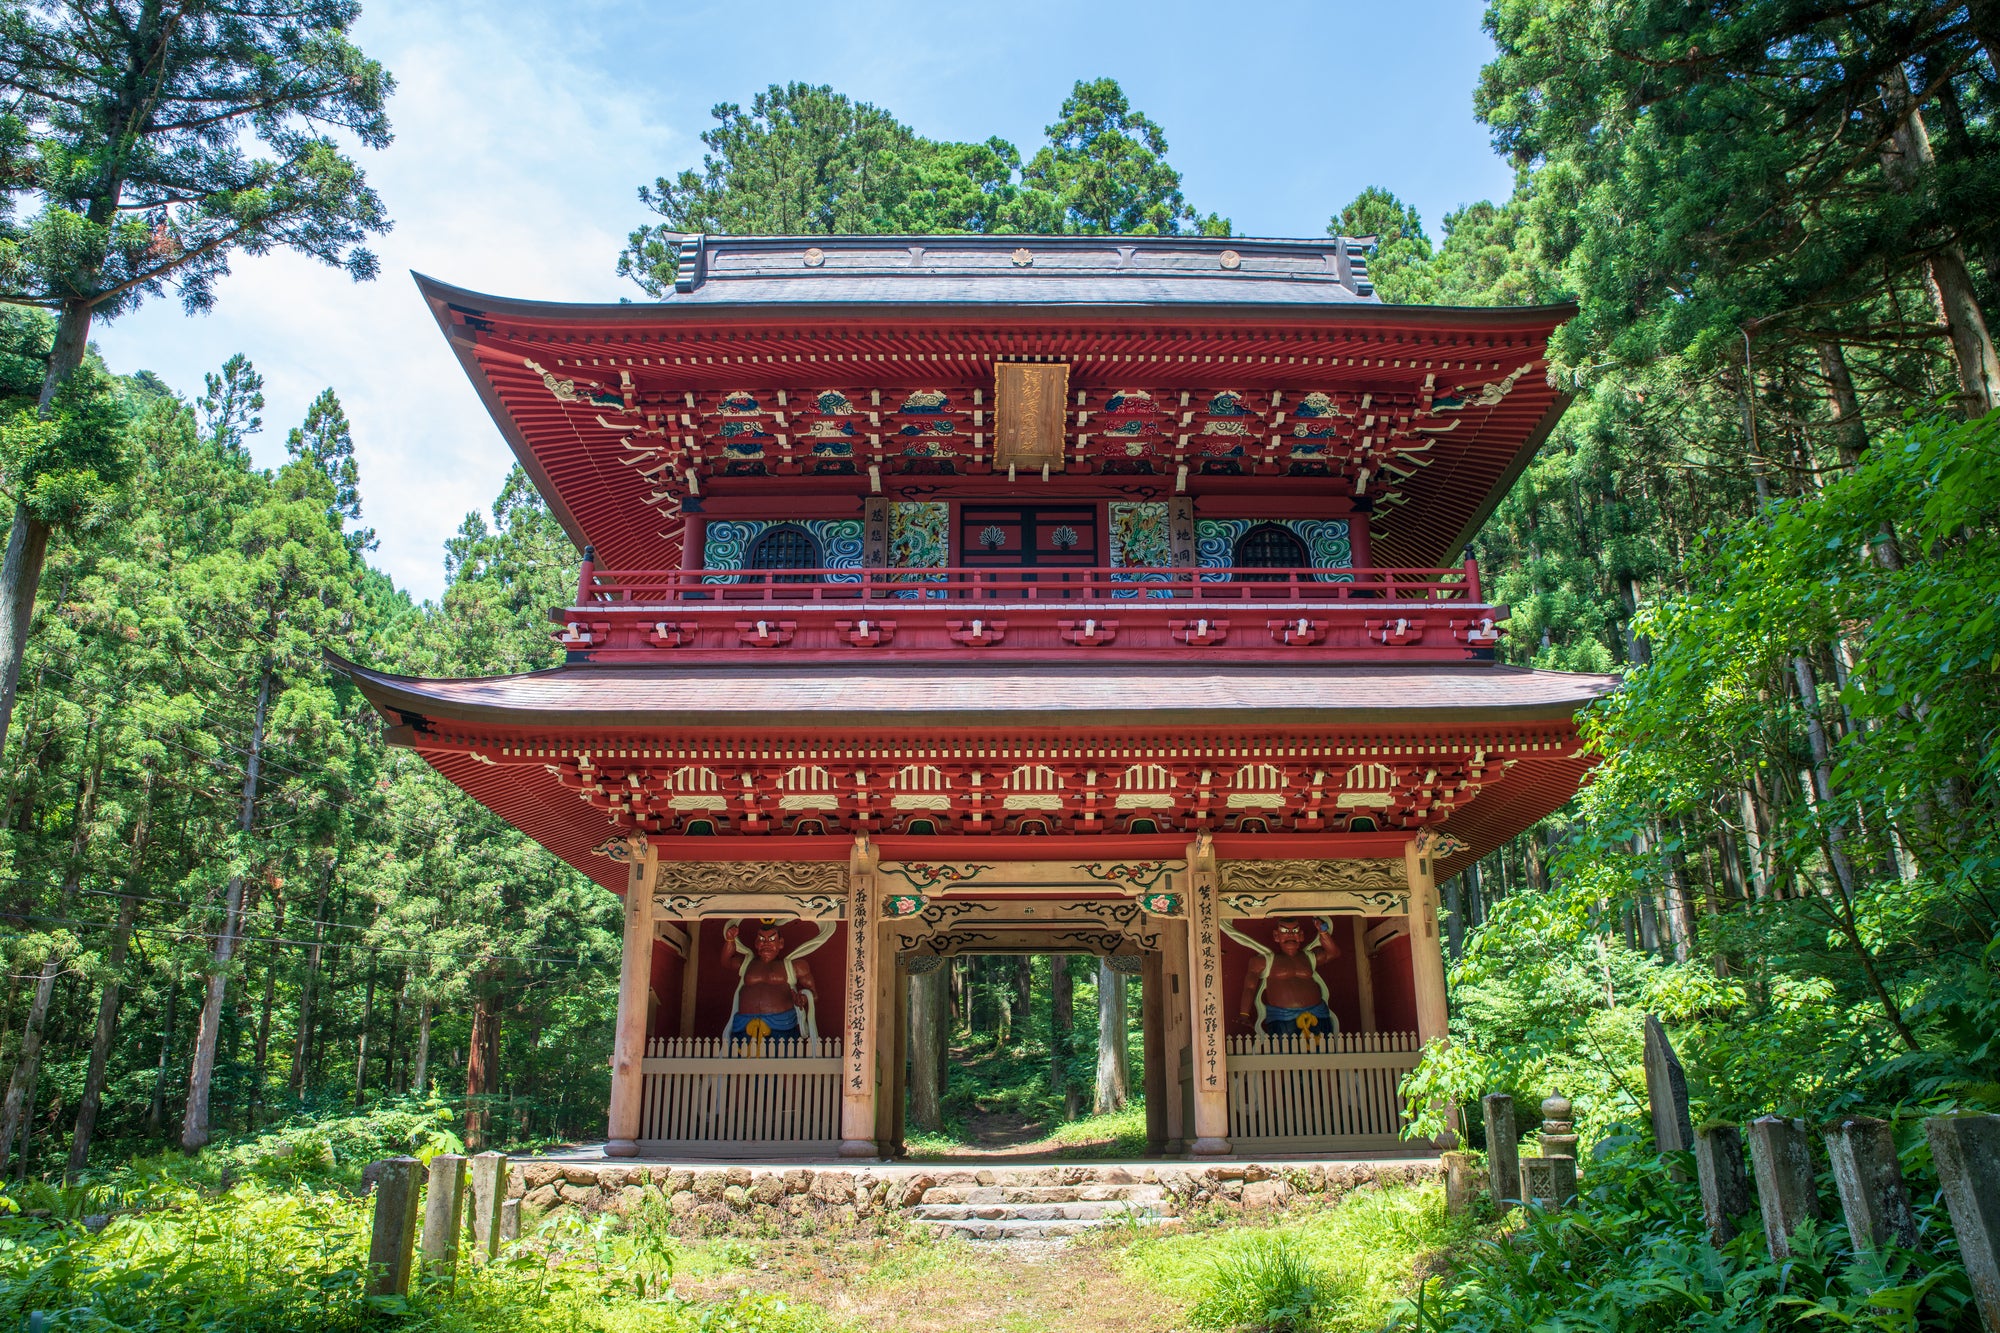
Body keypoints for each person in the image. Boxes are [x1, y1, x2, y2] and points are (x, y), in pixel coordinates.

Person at [1237, 918, 1341, 1036]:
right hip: (1282, 1017)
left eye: (1295, 930)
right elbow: (1249, 987)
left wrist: (1323, 932)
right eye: (1284, 931)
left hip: (1317, 1013)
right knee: (1284, 1050)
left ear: (1301, 935)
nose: (1291, 934)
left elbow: (1333, 953)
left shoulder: (1309, 957)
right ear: (1276, 935)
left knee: (1323, 1049)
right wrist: (1244, 1014)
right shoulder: (1263, 961)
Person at [722, 919, 815, 1043]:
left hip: (782, 1025)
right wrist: (730, 940)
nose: (766, 943)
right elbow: (726, 962)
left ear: (780, 943)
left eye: (771, 939)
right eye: (761, 939)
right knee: (742, 1058)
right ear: (756, 943)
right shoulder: (747, 963)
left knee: (781, 1057)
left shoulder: (795, 967)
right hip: (744, 1024)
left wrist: (803, 998)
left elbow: (814, 994)